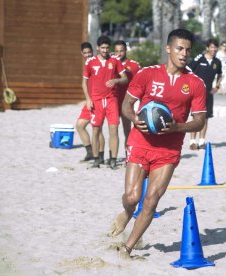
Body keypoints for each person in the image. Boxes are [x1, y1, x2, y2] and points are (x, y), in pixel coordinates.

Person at [108, 28, 207, 259]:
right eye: (180, 48)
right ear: (168, 49)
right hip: (140, 142)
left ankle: (127, 248)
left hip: (168, 150)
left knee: (151, 199)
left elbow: (200, 121)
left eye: (188, 50)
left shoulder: (195, 83)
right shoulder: (147, 74)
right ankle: (126, 211)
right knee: (132, 197)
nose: (184, 54)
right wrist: (134, 118)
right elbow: (126, 104)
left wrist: (177, 127)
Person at [82, 36, 128, 169]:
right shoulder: (90, 62)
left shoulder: (115, 61)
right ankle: (96, 160)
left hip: (111, 100)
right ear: (97, 48)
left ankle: (113, 160)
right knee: (96, 130)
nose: (105, 50)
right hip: (96, 100)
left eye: (107, 48)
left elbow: (124, 78)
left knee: (113, 130)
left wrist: (116, 81)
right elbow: (84, 81)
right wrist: (88, 98)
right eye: (102, 47)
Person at [188, 38, 222, 150]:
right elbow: (188, 69)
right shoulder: (199, 58)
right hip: (196, 93)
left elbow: (220, 75)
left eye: (215, 47)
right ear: (207, 48)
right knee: (195, 117)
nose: (214, 49)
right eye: (212, 47)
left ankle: (202, 141)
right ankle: (192, 142)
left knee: (205, 118)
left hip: (208, 93)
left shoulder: (217, 62)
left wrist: (217, 86)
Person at [76, 42, 106, 162]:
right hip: (89, 101)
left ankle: (101, 156)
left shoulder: (96, 63)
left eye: (89, 52)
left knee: (97, 129)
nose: (88, 55)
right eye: (85, 53)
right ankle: (90, 152)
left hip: (97, 100)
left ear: (93, 52)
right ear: (82, 54)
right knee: (80, 126)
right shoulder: (86, 64)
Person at [113, 40, 141, 161]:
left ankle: (128, 156)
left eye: (121, 50)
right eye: (117, 51)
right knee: (112, 130)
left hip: (127, 102)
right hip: (113, 100)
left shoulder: (134, 65)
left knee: (128, 130)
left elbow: (141, 83)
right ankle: (110, 157)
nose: (119, 53)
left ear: (126, 51)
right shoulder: (111, 63)